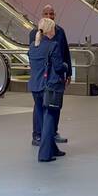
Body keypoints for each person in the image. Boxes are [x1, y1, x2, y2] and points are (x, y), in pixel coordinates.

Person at [28, 17, 69, 162]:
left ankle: (53, 149)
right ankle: (45, 154)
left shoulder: (33, 46)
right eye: (53, 28)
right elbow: (58, 67)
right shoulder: (53, 45)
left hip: (35, 87)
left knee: (42, 117)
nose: (54, 31)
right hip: (50, 87)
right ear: (49, 30)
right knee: (50, 118)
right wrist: (65, 66)